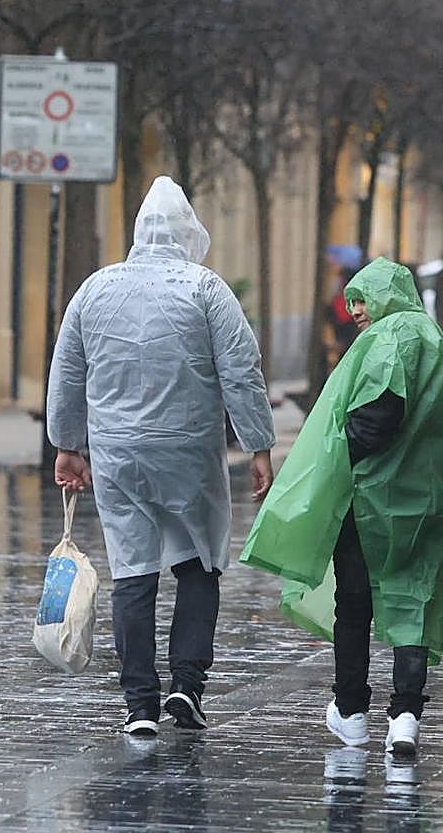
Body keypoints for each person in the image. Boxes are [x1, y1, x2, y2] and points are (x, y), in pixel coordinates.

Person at [47, 176, 276, 738]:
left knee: (133, 571)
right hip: (188, 452)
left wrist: (67, 443)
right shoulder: (205, 289)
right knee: (200, 562)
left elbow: (67, 371)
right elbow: (241, 372)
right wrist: (258, 446)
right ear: (185, 233)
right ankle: (187, 684)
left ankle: (138, 703)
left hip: (117, 451)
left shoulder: (96, 289)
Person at [240, 257, 443, 758]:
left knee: (355, 604)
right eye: (352, 299)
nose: (356, 309)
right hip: (426, 500)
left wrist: (338, 460)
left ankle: (352, 710)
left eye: (364, 298)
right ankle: (405, 716)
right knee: (415, 603)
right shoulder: (434, 339)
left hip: (372, 501)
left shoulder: (390, 339)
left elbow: (376, 416)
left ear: (389, 295)